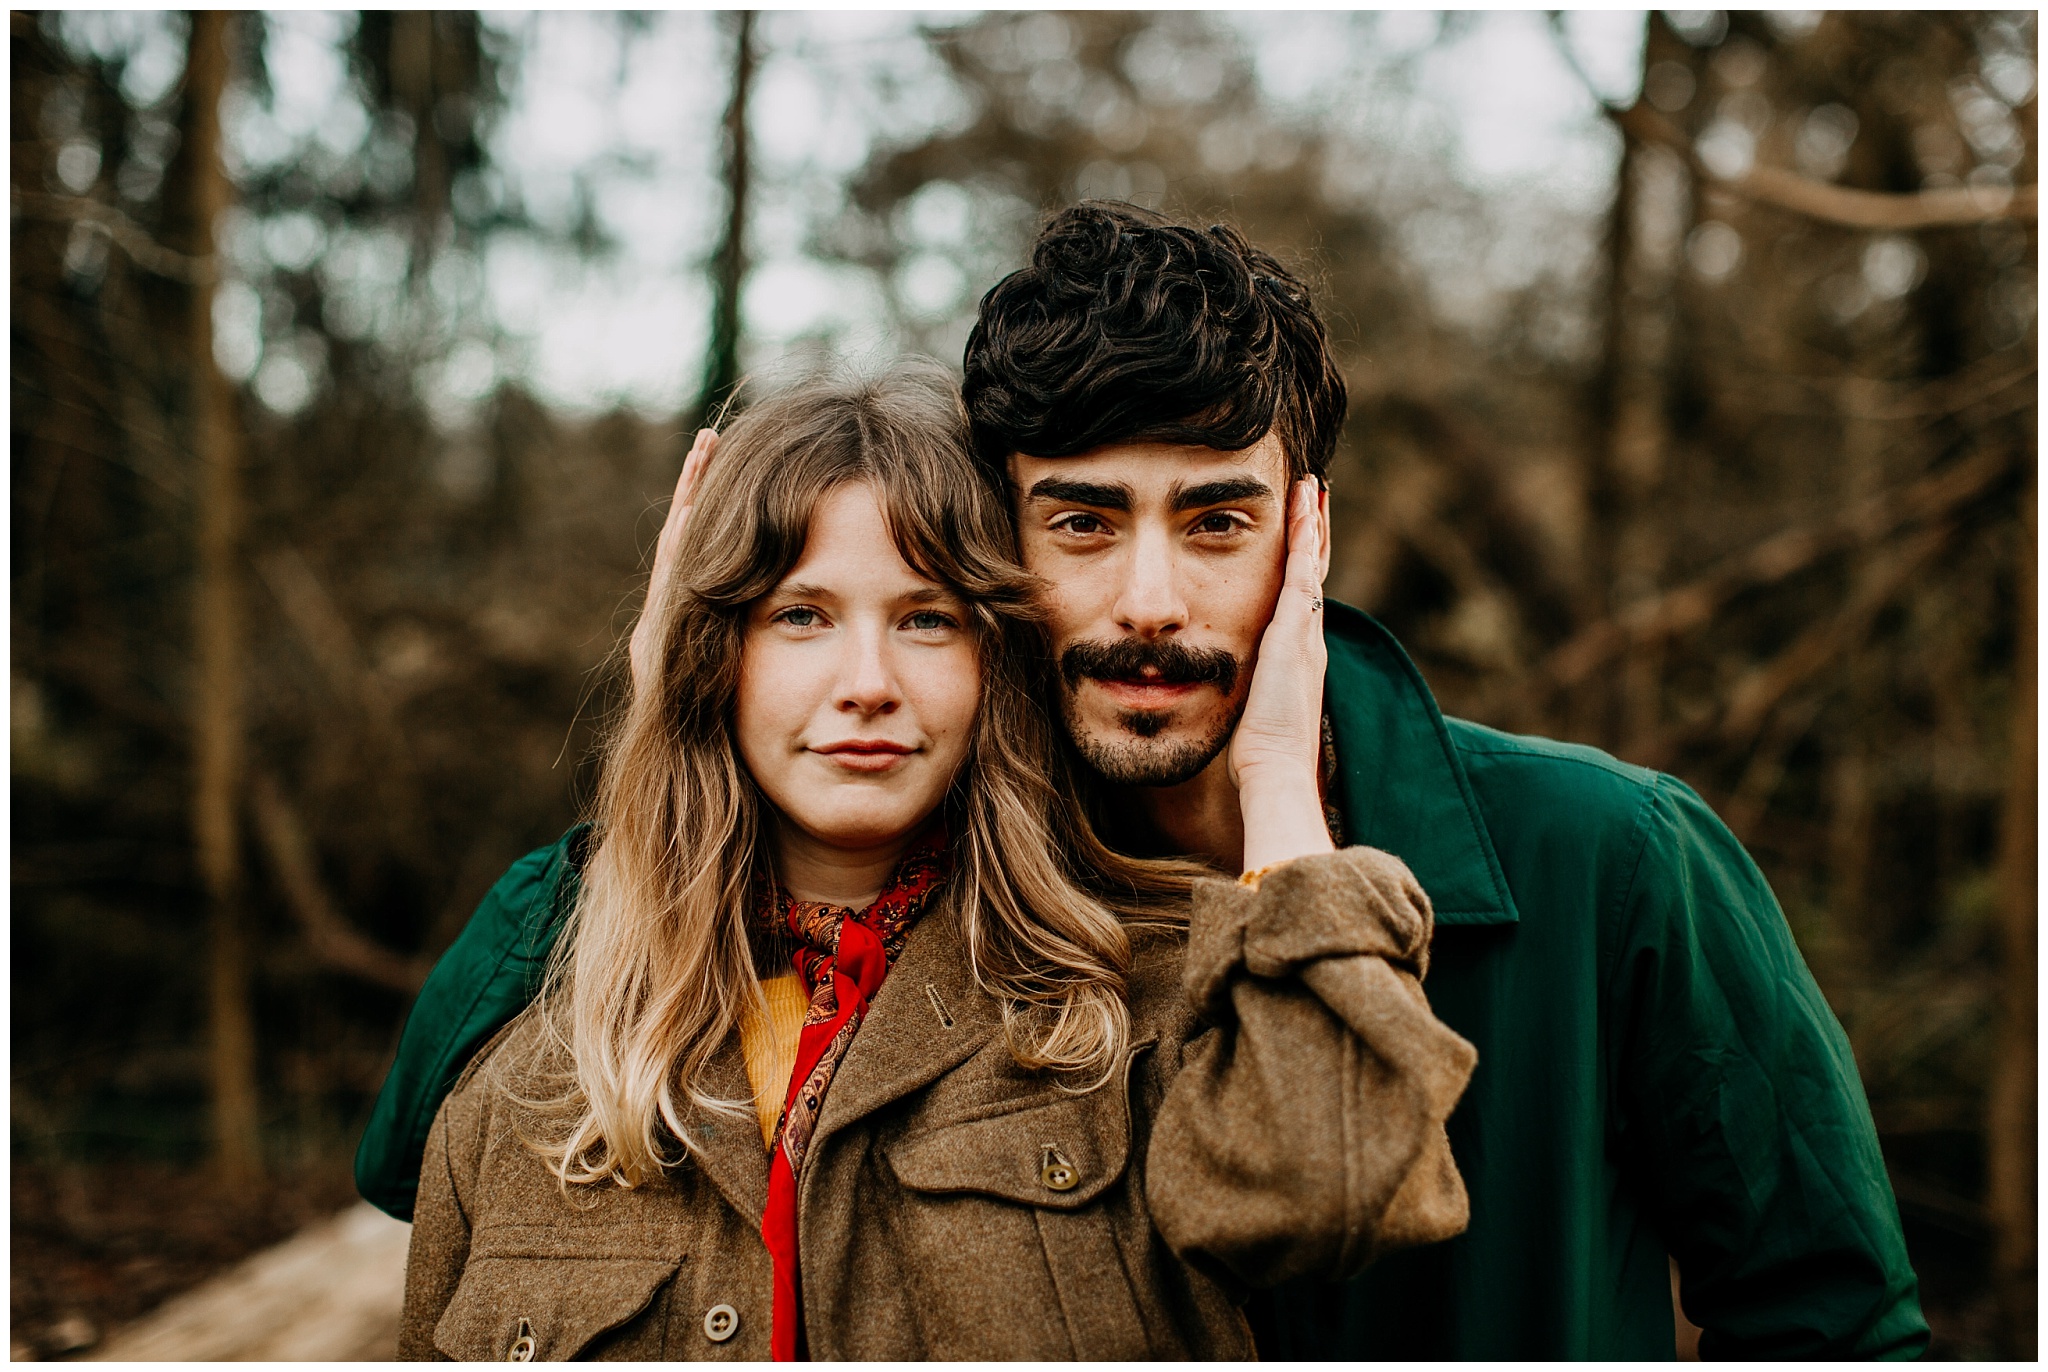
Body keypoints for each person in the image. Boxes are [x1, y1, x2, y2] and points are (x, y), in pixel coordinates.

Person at [362, 205, 1931, 1359]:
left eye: (1219, 523)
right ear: (998, 557)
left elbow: (1832, 1313)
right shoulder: (974, 888)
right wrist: (669, 717)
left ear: (1307, 530)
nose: (1152, 604)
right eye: (1085, 522)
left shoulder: (1610, 856)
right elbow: (439, 1132)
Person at [393, 366, 1477, 1360]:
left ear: (994, 663)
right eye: (799, 616)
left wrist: (1279, 770)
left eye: (925, 618)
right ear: (710, 654)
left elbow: (1337, 1183)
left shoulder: (1144, 1012)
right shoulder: (530, 1090)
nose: (866, 681)